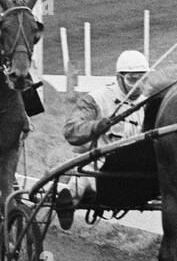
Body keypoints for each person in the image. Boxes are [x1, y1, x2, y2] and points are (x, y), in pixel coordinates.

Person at [53, 49, 150, 230]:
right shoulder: (96, 99)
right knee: (81, 181)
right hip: (98, 169)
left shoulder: (147, 104)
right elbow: (70, 131)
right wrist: (95, 126)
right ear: (119, 77)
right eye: (132, 80)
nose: (138, 86)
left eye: (142, 79)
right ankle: (66, 199)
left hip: (133, 173)